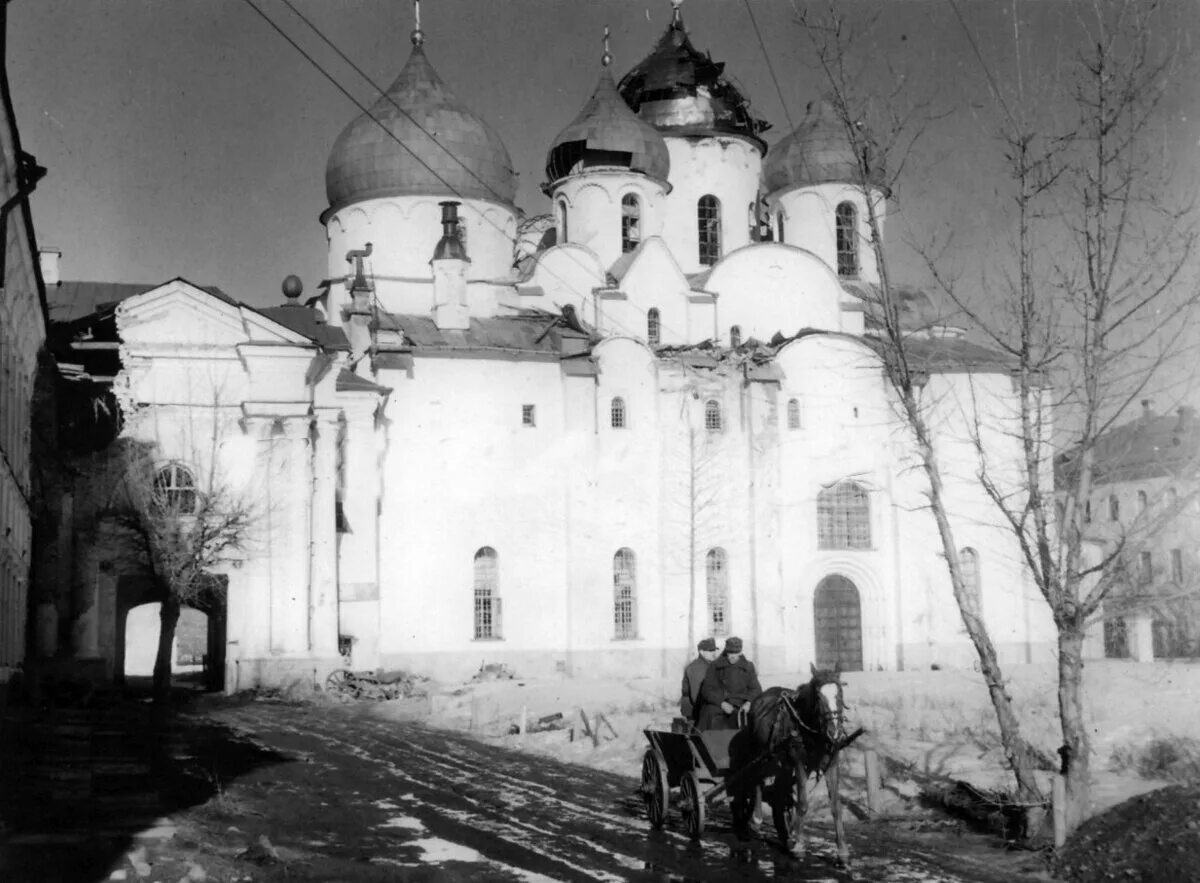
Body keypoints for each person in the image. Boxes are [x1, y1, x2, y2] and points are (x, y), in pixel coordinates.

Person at [697, 636, 762, 731]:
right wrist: (722, 703)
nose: (732, 656)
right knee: (709, 714)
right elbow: (707, 690)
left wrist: (748, 703)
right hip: (720, 705)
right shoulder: (715, 666)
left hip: (741, 706)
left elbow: (756, 689)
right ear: (726, 651)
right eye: (730, 652)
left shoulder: (748, 666)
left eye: (736, 653)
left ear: (740, 652)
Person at [680, 638, 719, 724]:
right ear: (701, 652)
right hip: (696, 712)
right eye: (710, 650)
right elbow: (697, 696)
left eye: (714, 650)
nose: (714, 653)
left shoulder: (709, 665)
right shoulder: (697, 668)